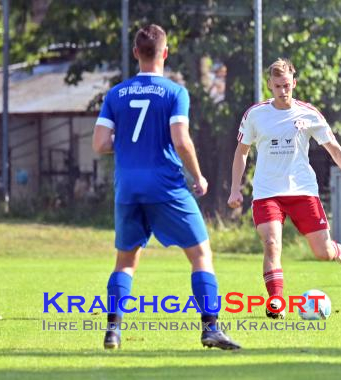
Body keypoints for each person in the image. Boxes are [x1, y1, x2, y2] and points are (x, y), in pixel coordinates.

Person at [92, 24, 240, 350]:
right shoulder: (175, 92)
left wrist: (132, 143)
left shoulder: (116, 94)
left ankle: (113, 331)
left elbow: (101, 143)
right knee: (201, 255)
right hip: (166, 185)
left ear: (136, 53)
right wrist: (198, 177)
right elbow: (181, 140)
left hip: (128, 187)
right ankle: (211, 328)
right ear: (165, 53)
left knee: (126, 262)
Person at [227, 58, 341, 319]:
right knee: (271, 243)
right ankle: (276, 301)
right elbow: (241, 152)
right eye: (277, 86)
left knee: (323, 253)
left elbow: (334, 149)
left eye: (287, 85)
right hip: (267, 193)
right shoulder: (255, 114)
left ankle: (340, 253)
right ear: (269, 86)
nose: (283, 90)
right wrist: (235, 189)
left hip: (302, 191)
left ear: (294, 83)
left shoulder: (308, 114)